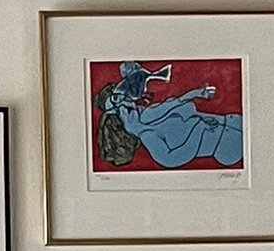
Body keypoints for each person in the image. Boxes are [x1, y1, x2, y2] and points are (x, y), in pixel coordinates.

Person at [105, 60, 246, 172]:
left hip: (232, 122)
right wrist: (198, 130)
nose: (131, 108)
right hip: (226, 143)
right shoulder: (147, 135)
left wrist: (197, 93)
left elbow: (175, 104)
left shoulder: (148, 115)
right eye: (124, 113)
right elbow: (171, 159)